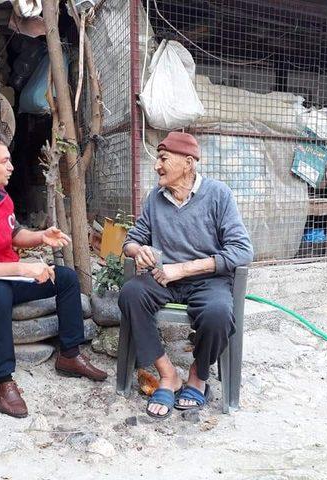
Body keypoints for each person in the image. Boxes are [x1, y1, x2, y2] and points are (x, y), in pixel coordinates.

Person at [0, 131, 108, 419]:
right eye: (5, 161)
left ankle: (69, 355)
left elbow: (13, 233)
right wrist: (25, 268)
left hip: (3, 277)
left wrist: (40, 237)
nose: (11, 167)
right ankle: (1, 381)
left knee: (64, 278)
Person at [118, 131, 253, 419]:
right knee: (131, 293)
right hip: (164, 280)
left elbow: (242, 251)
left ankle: (197, 376)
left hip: (206, 281)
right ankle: (168, 375)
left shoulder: (218, 195)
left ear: (188, 163)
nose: (157, 166)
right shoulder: (155, 198)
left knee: (218, 313)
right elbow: (132, 238)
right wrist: (136, 249)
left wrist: (185, 268)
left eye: (163, 159)